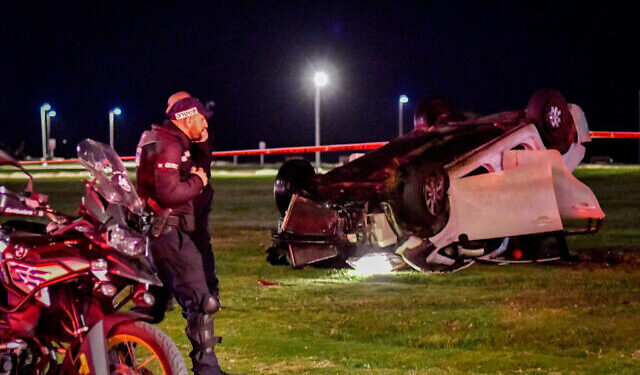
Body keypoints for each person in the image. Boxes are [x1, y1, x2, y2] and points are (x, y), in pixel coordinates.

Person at [135, 96, 229, 375]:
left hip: (160, 233)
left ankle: (117, 349)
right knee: (202, 302)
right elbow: (168, 193)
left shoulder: (163, 139)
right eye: (201, 119)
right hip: (168, 234)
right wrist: (198, 182)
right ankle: (207, 370)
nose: (205, 124)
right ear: (187, 118)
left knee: (152, 306)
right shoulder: (171, 144)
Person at [165, 91, 220, 299]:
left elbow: (199, 158)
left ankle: (209, 291)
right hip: (181, 198)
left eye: (170, 106)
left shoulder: (196, 129)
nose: (167, 111)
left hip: (194, 200)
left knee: (198, 246)